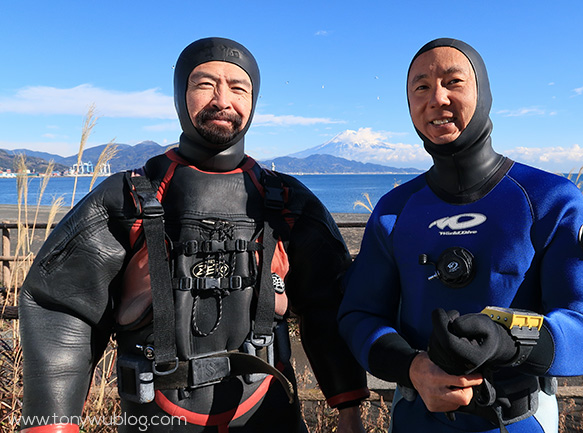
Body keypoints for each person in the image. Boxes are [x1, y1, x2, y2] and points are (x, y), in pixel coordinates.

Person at [19, 37, 369, 433]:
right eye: (205, 84)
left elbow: (329, 304)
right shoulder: (128, 197)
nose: (223, 99)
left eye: (239, 88)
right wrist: (49, 424)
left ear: (254, 102)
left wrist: (349, 408)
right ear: (179, 94)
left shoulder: (287, 202)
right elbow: (60, 304)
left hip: (269, 417)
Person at [338, 38, 583, 433]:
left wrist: (511, 341)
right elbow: (359, 316)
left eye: (453, 82)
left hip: (519, 418)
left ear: (483, 94)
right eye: (421, 87)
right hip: (417, 415)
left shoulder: (550, 200)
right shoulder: (394, 211)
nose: (436, 97)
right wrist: (412, 366)